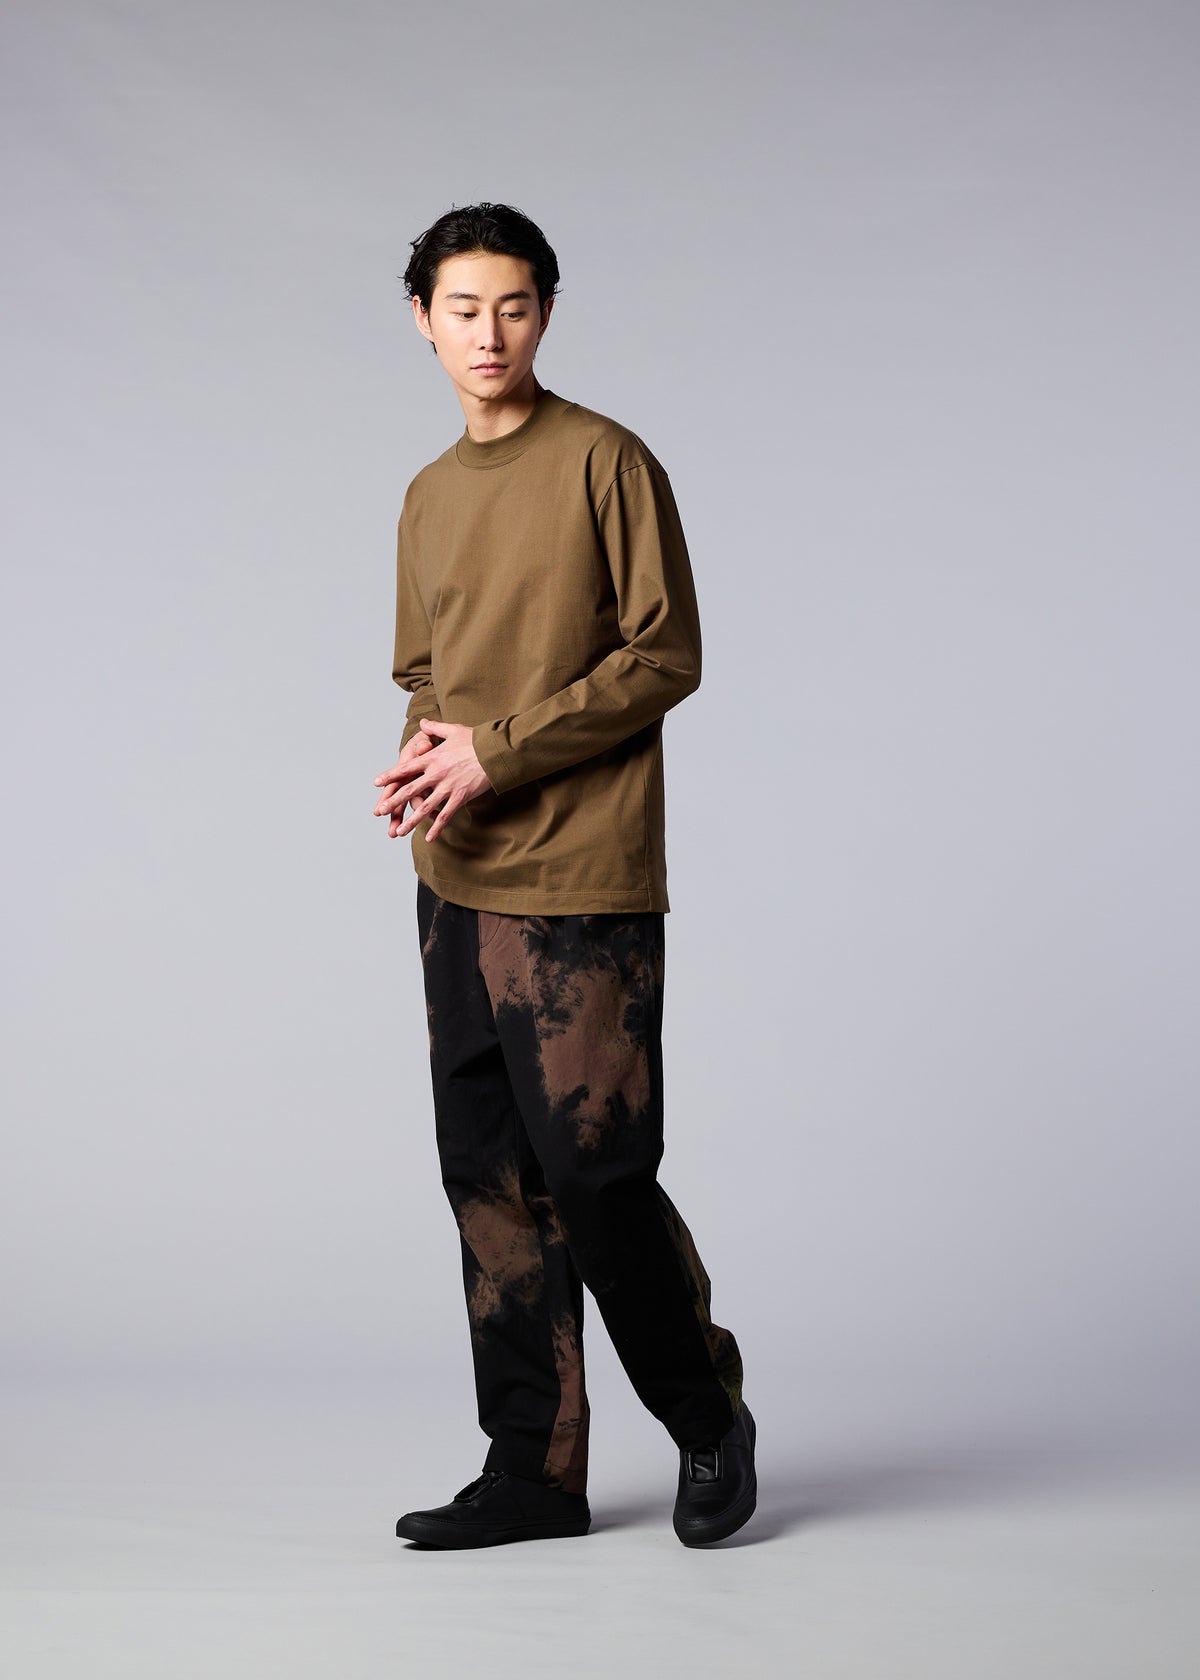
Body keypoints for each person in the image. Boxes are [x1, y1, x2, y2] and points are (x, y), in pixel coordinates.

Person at [372, 202, 755, 1549]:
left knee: (596, 1175)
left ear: (545, 313)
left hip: (581, 877)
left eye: (515, 306)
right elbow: (429, 673)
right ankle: (533, 1468)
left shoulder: (606, 461)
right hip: (454, 873)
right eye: (463, 308)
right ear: (423, 320)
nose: (489, 333)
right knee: (486, 1173)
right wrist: (423, 760)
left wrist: (496, 753)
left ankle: (705, 1416)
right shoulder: (428, 494)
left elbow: (665, 654)